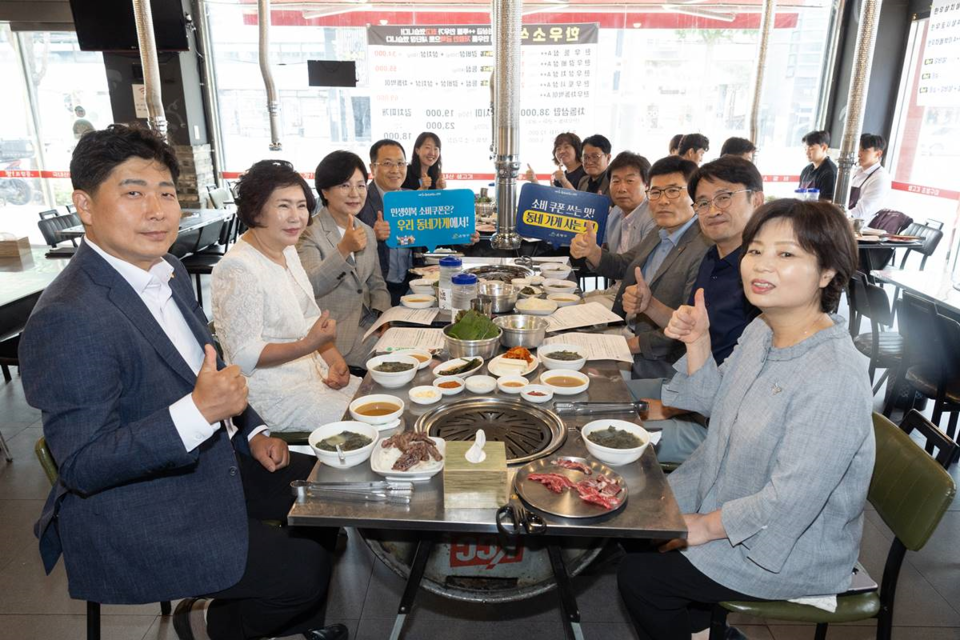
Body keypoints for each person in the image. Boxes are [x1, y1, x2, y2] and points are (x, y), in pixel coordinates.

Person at [19, 125, 347, 640]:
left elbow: (216, 372)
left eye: (166, 193)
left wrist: (255, 431)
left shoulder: (166, 268)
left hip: (212, 457)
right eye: (133, 193)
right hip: (138, 506)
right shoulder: (69, 315)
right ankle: (209, 624)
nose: (157, 210)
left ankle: (291, 628)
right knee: (302, 572)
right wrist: (199, 413)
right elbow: (82, 464)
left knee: (330, 502)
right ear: (84, 204)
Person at [617, 199, 874, 640]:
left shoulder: (833, 375)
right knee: (629, 522)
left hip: (791, 542)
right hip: (728, 487)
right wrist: (698, 342)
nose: (762, 266)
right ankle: (702, 630)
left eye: (786, 254)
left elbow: (790, 500)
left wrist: (706, 525)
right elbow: (718, 401)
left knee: (642, 578)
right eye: (756, 251)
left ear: (828, 272)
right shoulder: (763, 329)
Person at [622, 156, 764, 462]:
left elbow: (745, 382)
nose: (712, 210)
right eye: (702, 202)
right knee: (607, 391)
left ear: (757, 199)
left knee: (610, 434)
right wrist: (650, 305)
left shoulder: (760, 275)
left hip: (720, 425)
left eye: (724, 197)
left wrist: (676, 408)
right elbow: (689, 327)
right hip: (690, 389)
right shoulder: (713, 257)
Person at [212, 159, 361, 433]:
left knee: (382, 401)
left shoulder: (287, 249)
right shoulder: (239, 267)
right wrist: (308, 345)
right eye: (283, 205)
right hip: (276, 397)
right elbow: (243, 356)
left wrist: (333, 359)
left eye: (301, 205)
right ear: (256, 210)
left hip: (313, 377)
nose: (296, 216)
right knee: (373, 422)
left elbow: (308, 318)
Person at [583, 156, 712, 378]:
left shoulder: (704, 248)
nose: (663, 201)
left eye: (673, 191)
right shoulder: (659, 232)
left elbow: (688, 329)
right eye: (656, 192)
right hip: (625, 331)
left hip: (656, 361)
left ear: (695, 197)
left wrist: (627, 346)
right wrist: (593, 252)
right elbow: (625, 265)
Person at [299, 151, 392, 368]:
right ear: (325, 191)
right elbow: (311, 287)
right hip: (333, 339)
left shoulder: (366, 231)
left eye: (361, 186)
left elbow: (377, 283)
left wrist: (385, 318)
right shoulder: (308, 233)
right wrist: (343, 250)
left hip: (370, 325)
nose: (355, 193)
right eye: (344, 186)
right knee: (400, 364)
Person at [571, 151, 655, 308]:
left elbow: (631, 267)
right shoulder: (616, 212)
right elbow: (598, 247)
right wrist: (584, 247)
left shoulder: (653, 218)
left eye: (630, 181)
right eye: (616, 181)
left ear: (646, 185)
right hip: (615, 290)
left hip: (638, 301)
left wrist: (593, 251)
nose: (622, 188)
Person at [358, 138, 411, 297]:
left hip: (412, 284)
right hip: (375, 289)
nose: (396, 170)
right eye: (387, 163)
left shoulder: (412, 198)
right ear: (373, 168)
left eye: (401, 163)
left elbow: (433, 231)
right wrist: (372, 236)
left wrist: (463, 236)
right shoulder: (359, 200)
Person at [848, 133, 891, 221]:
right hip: (845, 221)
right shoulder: (856, 171)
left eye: (864, 150)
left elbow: (860, 212)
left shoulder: (880, 178)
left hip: (862, 227)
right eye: (858, 149)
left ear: (878, 154)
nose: (859, 154)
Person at [799, 129, 836, 201]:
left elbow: (827, 203)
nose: (807, 153)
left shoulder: (829, 172)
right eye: (805, 149)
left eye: (811, 149)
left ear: (824, 147)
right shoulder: (806, 170)